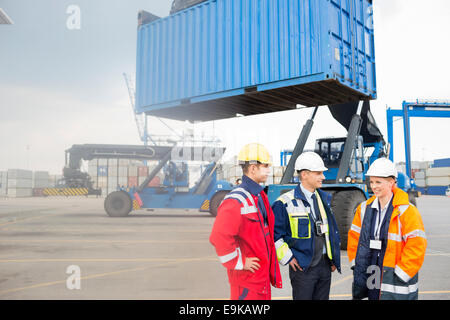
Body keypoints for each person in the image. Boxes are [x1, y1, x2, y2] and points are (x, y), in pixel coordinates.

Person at [209, 143, 282, 300]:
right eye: (265, 166)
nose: (269, 170)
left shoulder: (259, 196)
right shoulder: (236, 200)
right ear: (253, 168)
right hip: (246, 282)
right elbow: (219, 237)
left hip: (260, 279)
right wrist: (239, 261)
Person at [347, 158, 427, 300]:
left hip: (395, 272)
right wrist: (356, 263)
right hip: (371, 267)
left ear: (391, 183)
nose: (374, 186)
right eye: (371, 182)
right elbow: (354, 237)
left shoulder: (407, 210)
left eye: (378, 182)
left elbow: (417, 245)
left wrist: (402, 272)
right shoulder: (364, 208)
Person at [272, 151, 341, 300]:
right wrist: (289, 258)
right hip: (303, 267)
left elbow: (330, 231)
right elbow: (275, 236)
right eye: (318, 173)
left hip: (325, 266)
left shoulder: (324, 199)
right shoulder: (284, 202)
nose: (323, 177)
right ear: (304, 175)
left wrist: (333, 258)